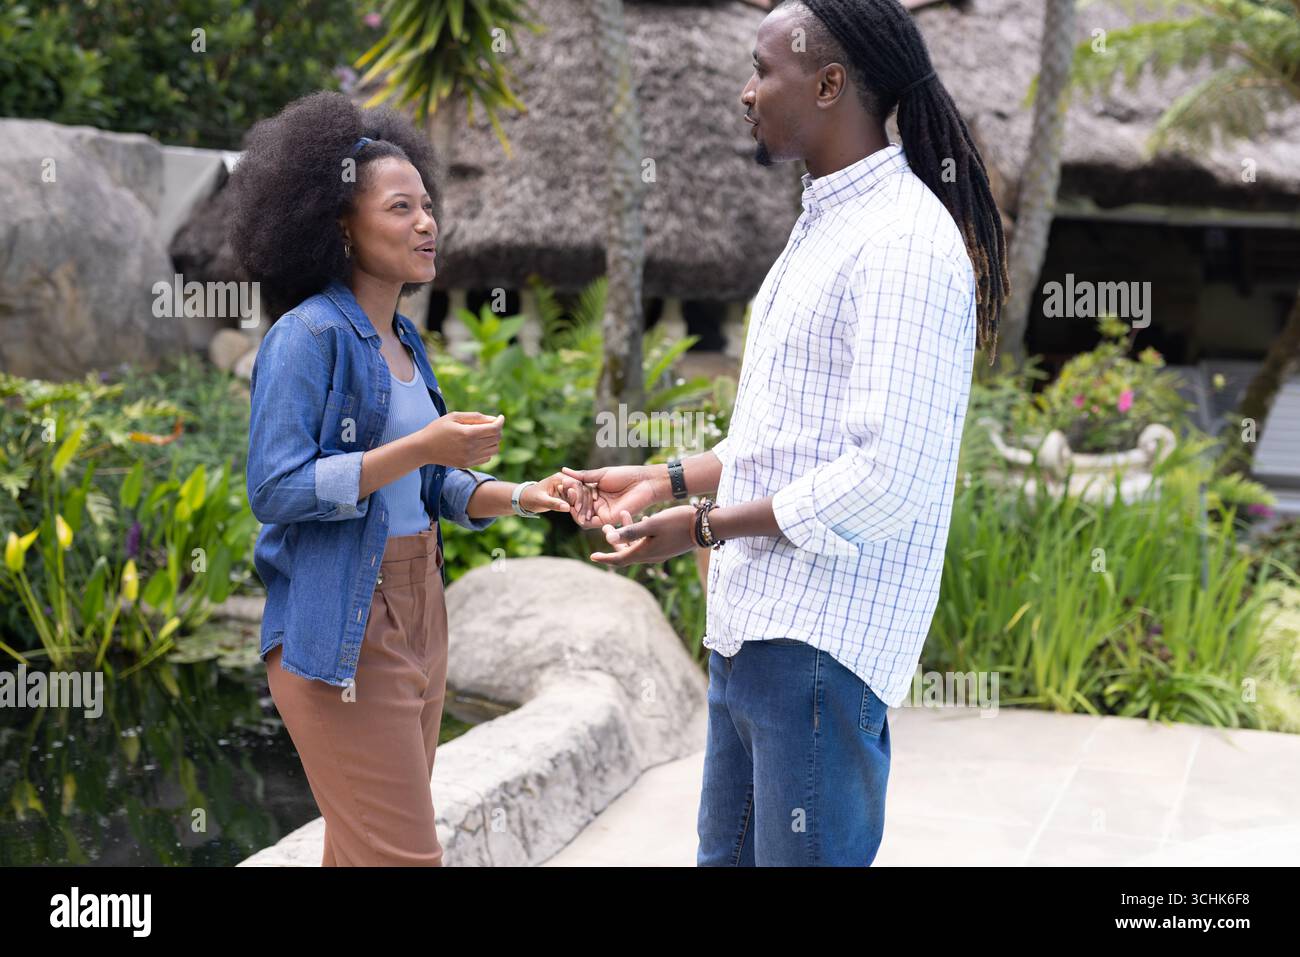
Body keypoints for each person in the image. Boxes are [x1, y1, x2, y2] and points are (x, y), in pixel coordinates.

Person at [562, 0, 1009, 866]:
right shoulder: (826, 225)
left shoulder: (903, 242)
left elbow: (886, 478)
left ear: (830, 81)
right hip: (756, 633)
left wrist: (699, 528)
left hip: (819, 654)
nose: (746, 91)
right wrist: (668, 479)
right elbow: (784, 442)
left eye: (765, 69)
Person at [229, 91, 587, 866]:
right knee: (403, 858)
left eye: (428, 205)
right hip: (345, 625)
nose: (427, 222)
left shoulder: (402, 339)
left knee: (364, 854)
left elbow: (431, 488)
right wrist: (422, 444)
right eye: (401, 207)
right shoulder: (306, 337)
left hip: (422, 608)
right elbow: (276, 487)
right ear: (340, 226)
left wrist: (528, 494)